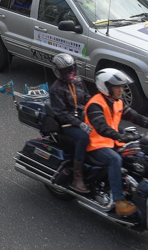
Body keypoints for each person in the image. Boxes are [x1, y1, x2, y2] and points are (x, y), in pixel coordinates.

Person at [85, 68, 148, 216]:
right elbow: (101, 127)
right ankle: (119, 202)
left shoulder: (117, 103)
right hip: (97, 145)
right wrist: (119, 136)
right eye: (117, 86)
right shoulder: (95, 105)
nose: (121, 90)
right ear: (106, 87)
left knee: (138, 155)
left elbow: (135, 117)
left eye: (122, 86)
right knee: (114, 159)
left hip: (113, 143)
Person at [49, 54, 92, 193]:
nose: (70, 73)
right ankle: (77, 177)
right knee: (83, 137)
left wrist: (97, 111)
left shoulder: (79, 81)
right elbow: (61, 114)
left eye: (72, 69)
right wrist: (79, 124)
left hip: (83, 119)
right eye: (66, 71)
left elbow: (88, 98)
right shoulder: (56, 89)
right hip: (67, 125)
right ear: (58, 71)